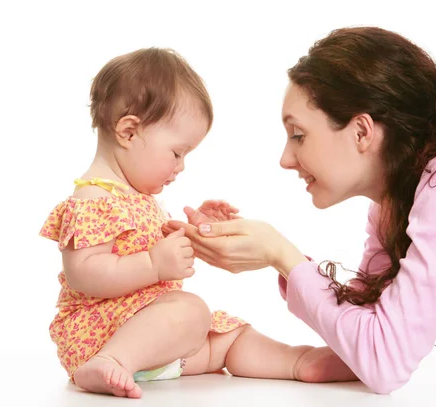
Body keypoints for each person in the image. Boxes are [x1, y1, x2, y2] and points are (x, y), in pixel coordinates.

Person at [164, 27, 436, 394]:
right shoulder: (394, 208)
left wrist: (281, 255)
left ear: (362, 131)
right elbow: (364, 340)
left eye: (299, 135)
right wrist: (269, 256)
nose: (286, 159)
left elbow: (384, 363)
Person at [39, 47, 356, 399]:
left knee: (226, 335)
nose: (181, 166)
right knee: (192, 312)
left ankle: (298, 362)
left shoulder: (135, 197)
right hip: (102, 335)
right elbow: (84, 274)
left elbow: (141, 246)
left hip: (159, 337)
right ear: (129, 132)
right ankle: (109, 362)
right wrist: (153, 264)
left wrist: (196, 230)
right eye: (177, 152)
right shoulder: (92, 199)